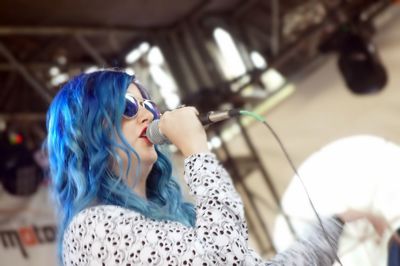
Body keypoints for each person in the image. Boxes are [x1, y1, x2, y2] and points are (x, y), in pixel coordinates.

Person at [45, 70, 387, 265]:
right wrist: (197, 151)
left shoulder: (175, 220)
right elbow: (226, 262)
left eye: (148, 103)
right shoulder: (93, 228)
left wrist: (338, 222)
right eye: (128, 106)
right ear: (85, 132)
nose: (150, 114)